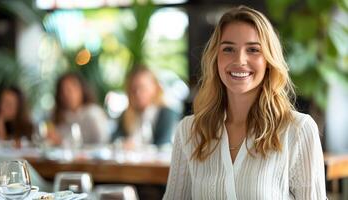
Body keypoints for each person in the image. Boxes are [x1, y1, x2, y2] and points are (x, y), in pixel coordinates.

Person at [163, 5, 326, 200]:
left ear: (268, 60)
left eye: (253, 50)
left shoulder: (298, 130)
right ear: (216, 58)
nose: (240, 60)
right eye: (228, 49)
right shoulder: (189, 131)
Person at [111, 66, 179, 150]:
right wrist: (122, 143)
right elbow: (114, 139)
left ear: (155, 88)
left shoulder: (166, 113)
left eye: (142, 88)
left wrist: (135, 147)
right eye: (134, 89)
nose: (138, 93)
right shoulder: (126, 115)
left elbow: (163, 145)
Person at [50, 72, 109, 146]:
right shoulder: (59, 116)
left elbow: (102, 143)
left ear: (82, 90)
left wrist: (61, 142)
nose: (67, 95)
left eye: (70, 89)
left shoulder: (93, 113)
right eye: (63, 91)